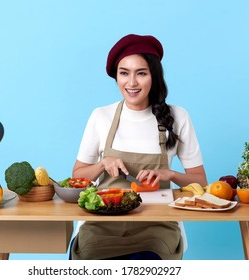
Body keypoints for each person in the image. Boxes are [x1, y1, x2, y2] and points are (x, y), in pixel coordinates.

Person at [70, 34, 208, 260]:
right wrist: (102, 164)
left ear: (154, 76)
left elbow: (201, 181)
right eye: (124, 73)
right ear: (116, 77)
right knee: (88, 257)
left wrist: (169, 174)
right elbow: (78, 175)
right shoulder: (101, 116)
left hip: (157, 223)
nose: (131, 83)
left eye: (141, 73)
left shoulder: (178, 117)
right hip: (103, 222)